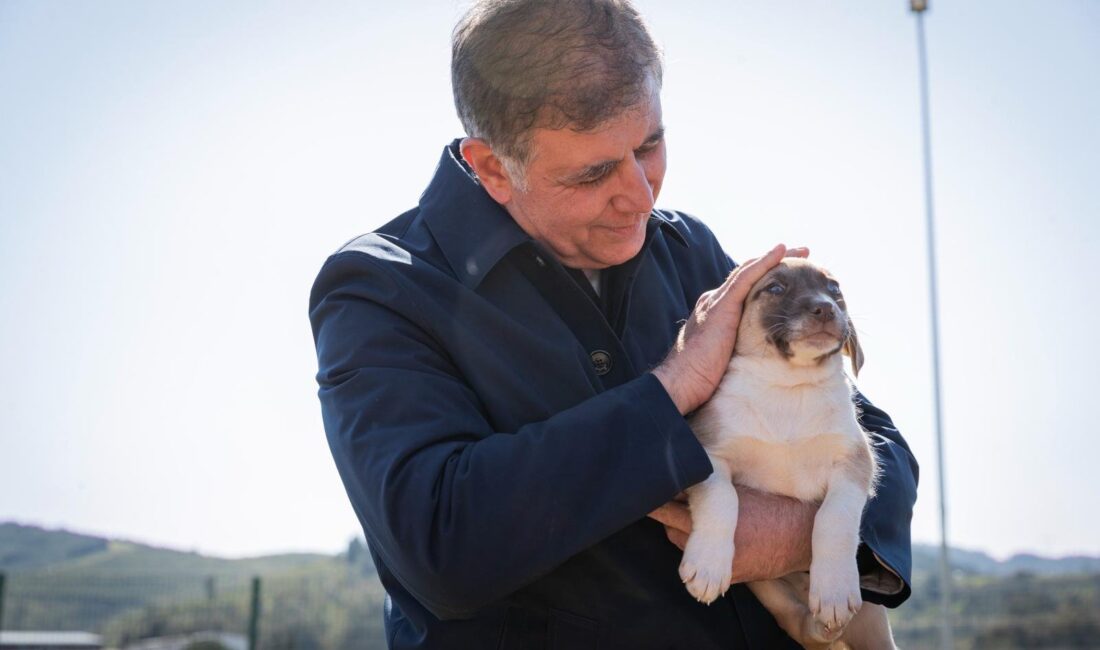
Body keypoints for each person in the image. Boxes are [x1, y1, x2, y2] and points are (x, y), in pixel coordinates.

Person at [308, 1, 918, 648]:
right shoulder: (382, 290)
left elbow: (876, 443)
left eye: (649, 145)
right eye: (593, 172)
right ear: (491, 168)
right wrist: (673, 386)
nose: (641, 194)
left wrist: (799, 534)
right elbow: (441, 546)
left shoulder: (690, 253)